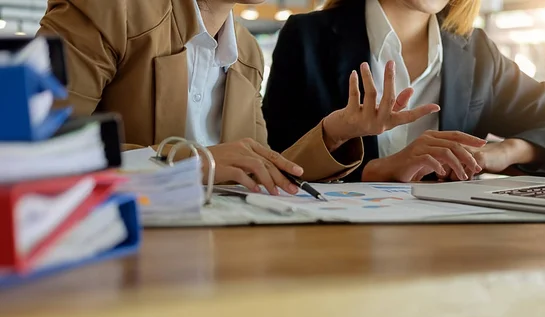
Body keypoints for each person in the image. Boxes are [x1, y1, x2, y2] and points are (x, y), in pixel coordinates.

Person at [37, 0, 438, 196]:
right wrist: (190, 162)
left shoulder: (246, 51)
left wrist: (334, 132)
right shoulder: (110, 8)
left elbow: (259, 165)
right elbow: (32, 148)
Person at [263, 0, 545, 183]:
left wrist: (505, 152)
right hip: (336, 247)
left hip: (449, 244)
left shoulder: (477, 52)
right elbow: (276, 159)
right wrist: (376, 170)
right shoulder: (307, 38)